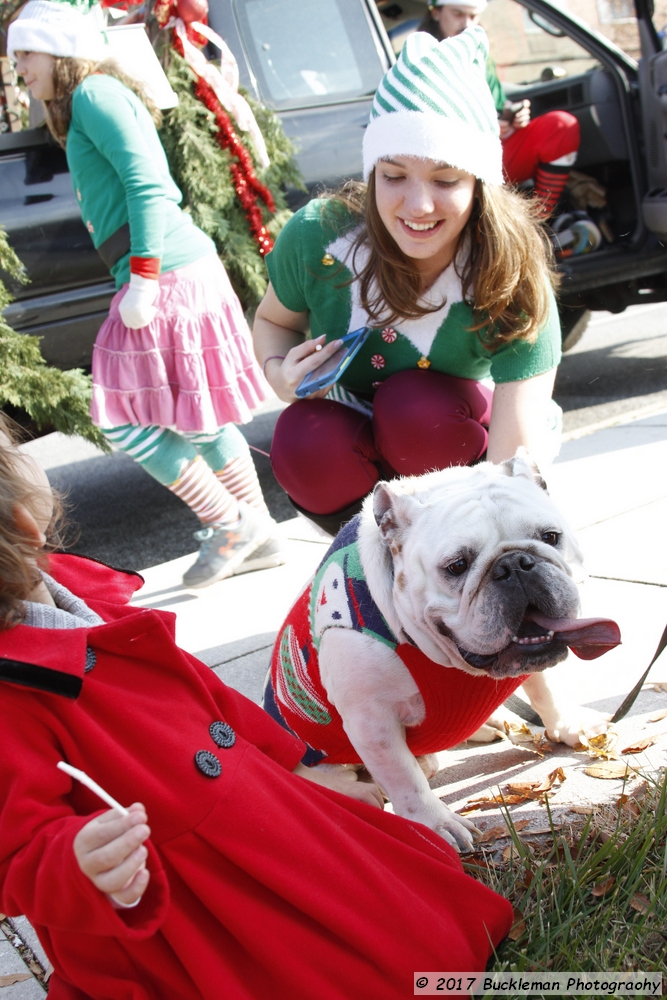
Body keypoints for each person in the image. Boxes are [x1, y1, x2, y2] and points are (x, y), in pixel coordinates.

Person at [0, 412, 513, 1000]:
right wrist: (76, 866)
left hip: (261, 815)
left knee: (404, 917)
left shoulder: (87, 599)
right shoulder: (12, 698)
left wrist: (294, 761)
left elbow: (204, 694)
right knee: (332, 972)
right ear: (25, 522)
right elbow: (14, 849)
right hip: (197, 897)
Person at [8, 0, 283, 589]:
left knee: (122, 417)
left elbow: (147, 182)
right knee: (198, 418)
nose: (19, 68)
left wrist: (144, 277)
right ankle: (258, 530)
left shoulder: (94, 94)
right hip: (175, 270)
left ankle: (230, 523)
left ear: (58, 48)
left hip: (167, 273)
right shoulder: (89, 98)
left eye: (25, 52)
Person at [253, 26, 563, 536]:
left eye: (445, 180)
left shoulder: (511, 271)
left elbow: (513, 467)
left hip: (465, 441)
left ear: (479, 184)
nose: (416, 206)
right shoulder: (318, 237)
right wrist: (278, 372)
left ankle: (453, 545)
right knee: (302, 441)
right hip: (352, 441)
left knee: (415, 409)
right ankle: (376, 554)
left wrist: (499, 549)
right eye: (393, 175)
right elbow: (272, 320)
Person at [421, 0, 581, 218]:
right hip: (449, 162)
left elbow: (496, 105)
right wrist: (483, 129)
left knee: (560, 126)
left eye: (474, 16)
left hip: (493, 150)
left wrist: (512, 116)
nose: (468, 24)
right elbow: (423, 130)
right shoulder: (420, 59)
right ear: (436, 13)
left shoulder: (482, 57)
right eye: (458, 14)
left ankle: (538, 223)